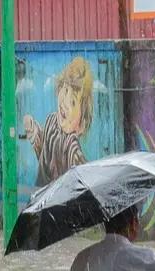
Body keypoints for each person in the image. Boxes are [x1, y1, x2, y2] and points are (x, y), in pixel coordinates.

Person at [23, 57, 94, 186]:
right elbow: (43, 154)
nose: (65, 102)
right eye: (65, 90)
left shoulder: (71, 146)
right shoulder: (51, 121)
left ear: (81, 125)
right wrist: (35, 134)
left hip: (62, 196)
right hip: (44, 192)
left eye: (73, 102)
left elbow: (82, 171)